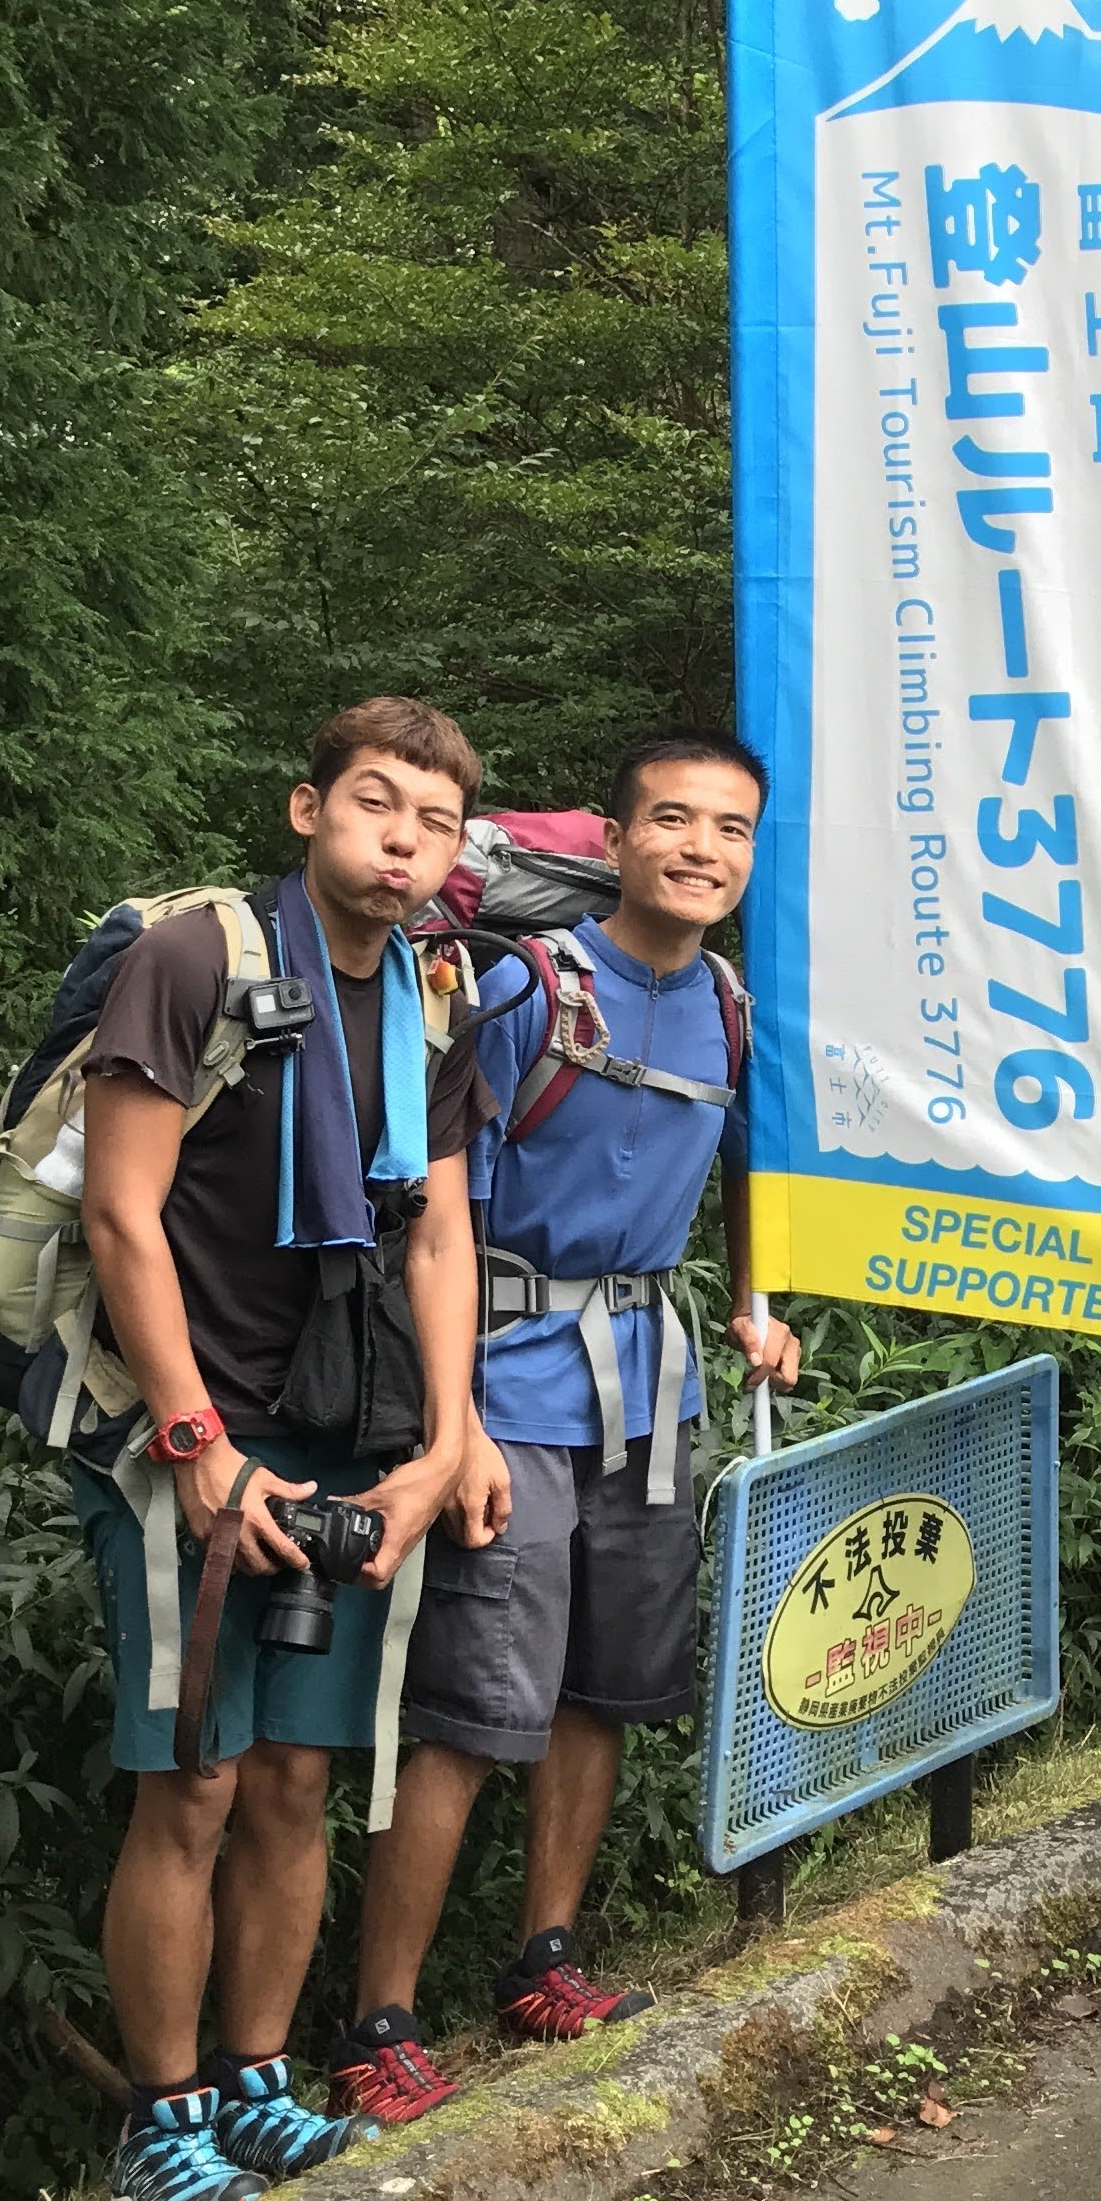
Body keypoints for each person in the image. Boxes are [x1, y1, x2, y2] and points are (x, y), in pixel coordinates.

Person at [331, 727, 801, 2121]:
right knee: (476, 1710)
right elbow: (436, 1213)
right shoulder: (528, 988)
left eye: (730, 828)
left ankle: (546, 1962)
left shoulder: (729, 1005)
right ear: (619, 834)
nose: (701, 849)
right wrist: (454, 1426)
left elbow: (749, 1165)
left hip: (652, 1387)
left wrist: (757, 1302)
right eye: (674, 819)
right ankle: (378, 2023)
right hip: (508, 1390)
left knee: (607, 1687)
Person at [73, 698, 492, 2201]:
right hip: (183, 1428)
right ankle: (162, 2120)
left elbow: (440, 1232)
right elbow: (121, 1212)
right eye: (377, 804)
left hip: (349, 1427)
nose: (403, 841)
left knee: (300, 1782)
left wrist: (447, 1441)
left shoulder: (434, 993)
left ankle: (258, 2080)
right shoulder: (195, 961)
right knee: (193, 1783)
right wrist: (197, 1445)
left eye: (434, 822)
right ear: (307, 808)